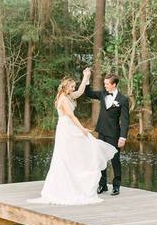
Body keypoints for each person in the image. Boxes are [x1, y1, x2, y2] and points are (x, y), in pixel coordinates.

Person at [28, 77, 118, 205]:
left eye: (74, 86)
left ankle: (79, 181)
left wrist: (86, 77)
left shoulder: (69, 96)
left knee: (74, 154)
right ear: (65, 87)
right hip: (66, 130)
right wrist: (82, 129)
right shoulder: (64, 99)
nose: (73, 88)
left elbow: (80, 91)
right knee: (66, 156)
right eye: (71, 87)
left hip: (69, 128)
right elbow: (71, 116)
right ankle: (67, 188)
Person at [82, 67, 129, 195]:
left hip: (114, 134)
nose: (105, 85)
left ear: (114, 84)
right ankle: (102, 185)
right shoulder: (103, 94)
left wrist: (123, 137)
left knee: (115, 159)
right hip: (101, 132)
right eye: (104, 83)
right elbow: (89, 93)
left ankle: (116, 186)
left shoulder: (123, 100)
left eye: (107, 84)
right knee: (100, 159)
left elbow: (125, 120)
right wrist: (86, 78)